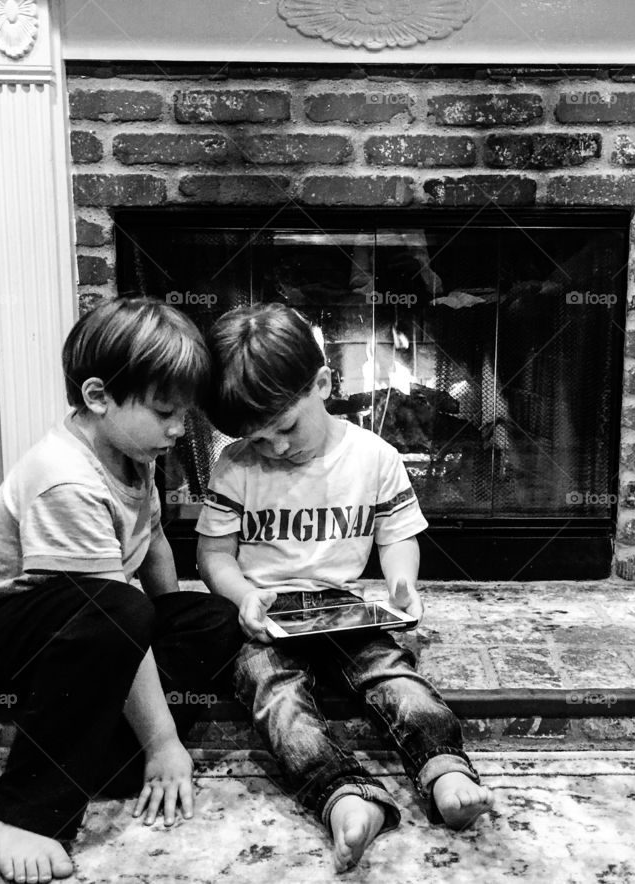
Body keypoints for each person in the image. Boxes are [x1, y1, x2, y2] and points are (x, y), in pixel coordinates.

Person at [0, 298, 243, 884]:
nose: (179, 430)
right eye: (163, 412)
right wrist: (162, 741)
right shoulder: (66, 481)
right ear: (99, 397)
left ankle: (97, 747)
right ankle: (21, 810)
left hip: (85, 621)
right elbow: (109, 610)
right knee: (120, 611)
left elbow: (151, 541)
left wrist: (170, 618)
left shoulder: (134, 450)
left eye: (185, 414)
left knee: (213, 618)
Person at [196, 303, 494, 873]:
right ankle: (344, 796)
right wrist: (241, 597)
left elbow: (398, 538)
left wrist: (402, 580)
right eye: (258, 439)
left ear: (323, 385)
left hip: (345, 614)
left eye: (285, 427)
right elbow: (213, 554)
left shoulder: (374, 457)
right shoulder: (234, 467)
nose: (275, 448)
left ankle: (444, 768)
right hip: (268, 621)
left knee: (396, 675)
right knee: (273, 694)